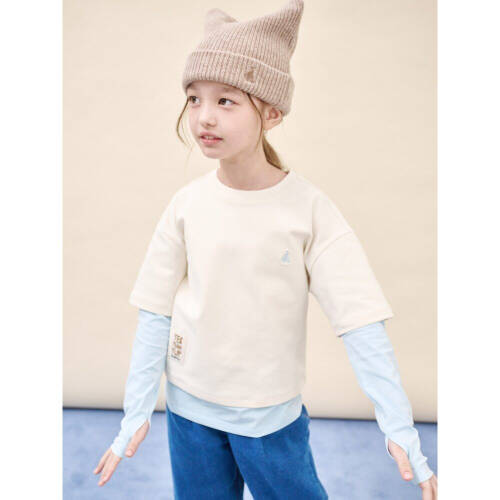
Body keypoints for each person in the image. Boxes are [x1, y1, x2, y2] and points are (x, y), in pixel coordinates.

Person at [94, 1, 438, 498]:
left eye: (226, 100)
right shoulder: (186, 207)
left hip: (270, 424)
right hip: (190, 416)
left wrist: (398, 428)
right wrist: (135, 413)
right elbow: (155, 313)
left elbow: (360, 321)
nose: (204, 117)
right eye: (194, 98)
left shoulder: (309, 211)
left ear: (272, 112)